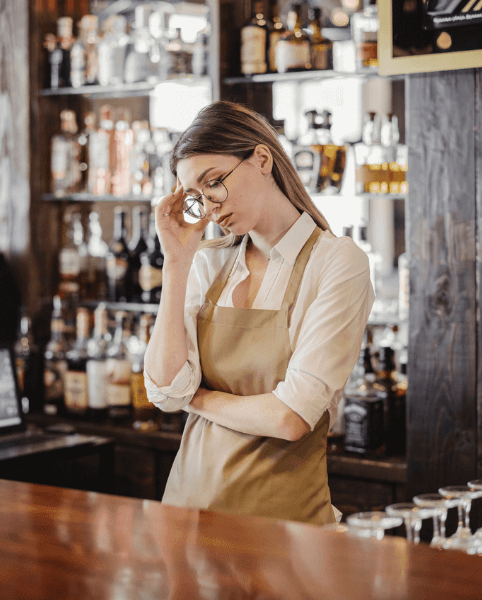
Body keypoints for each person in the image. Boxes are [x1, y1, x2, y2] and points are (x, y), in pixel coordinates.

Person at [143, 101, 373, 525]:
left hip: (286, 528)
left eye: (213, 183)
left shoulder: (337, 263)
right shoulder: (204, 263)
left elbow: (291, 417)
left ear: (262, 158)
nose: (209, 208)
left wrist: (196, 397)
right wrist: (175, 262)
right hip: (186, 515)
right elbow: (163, 389)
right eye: (195, 198)